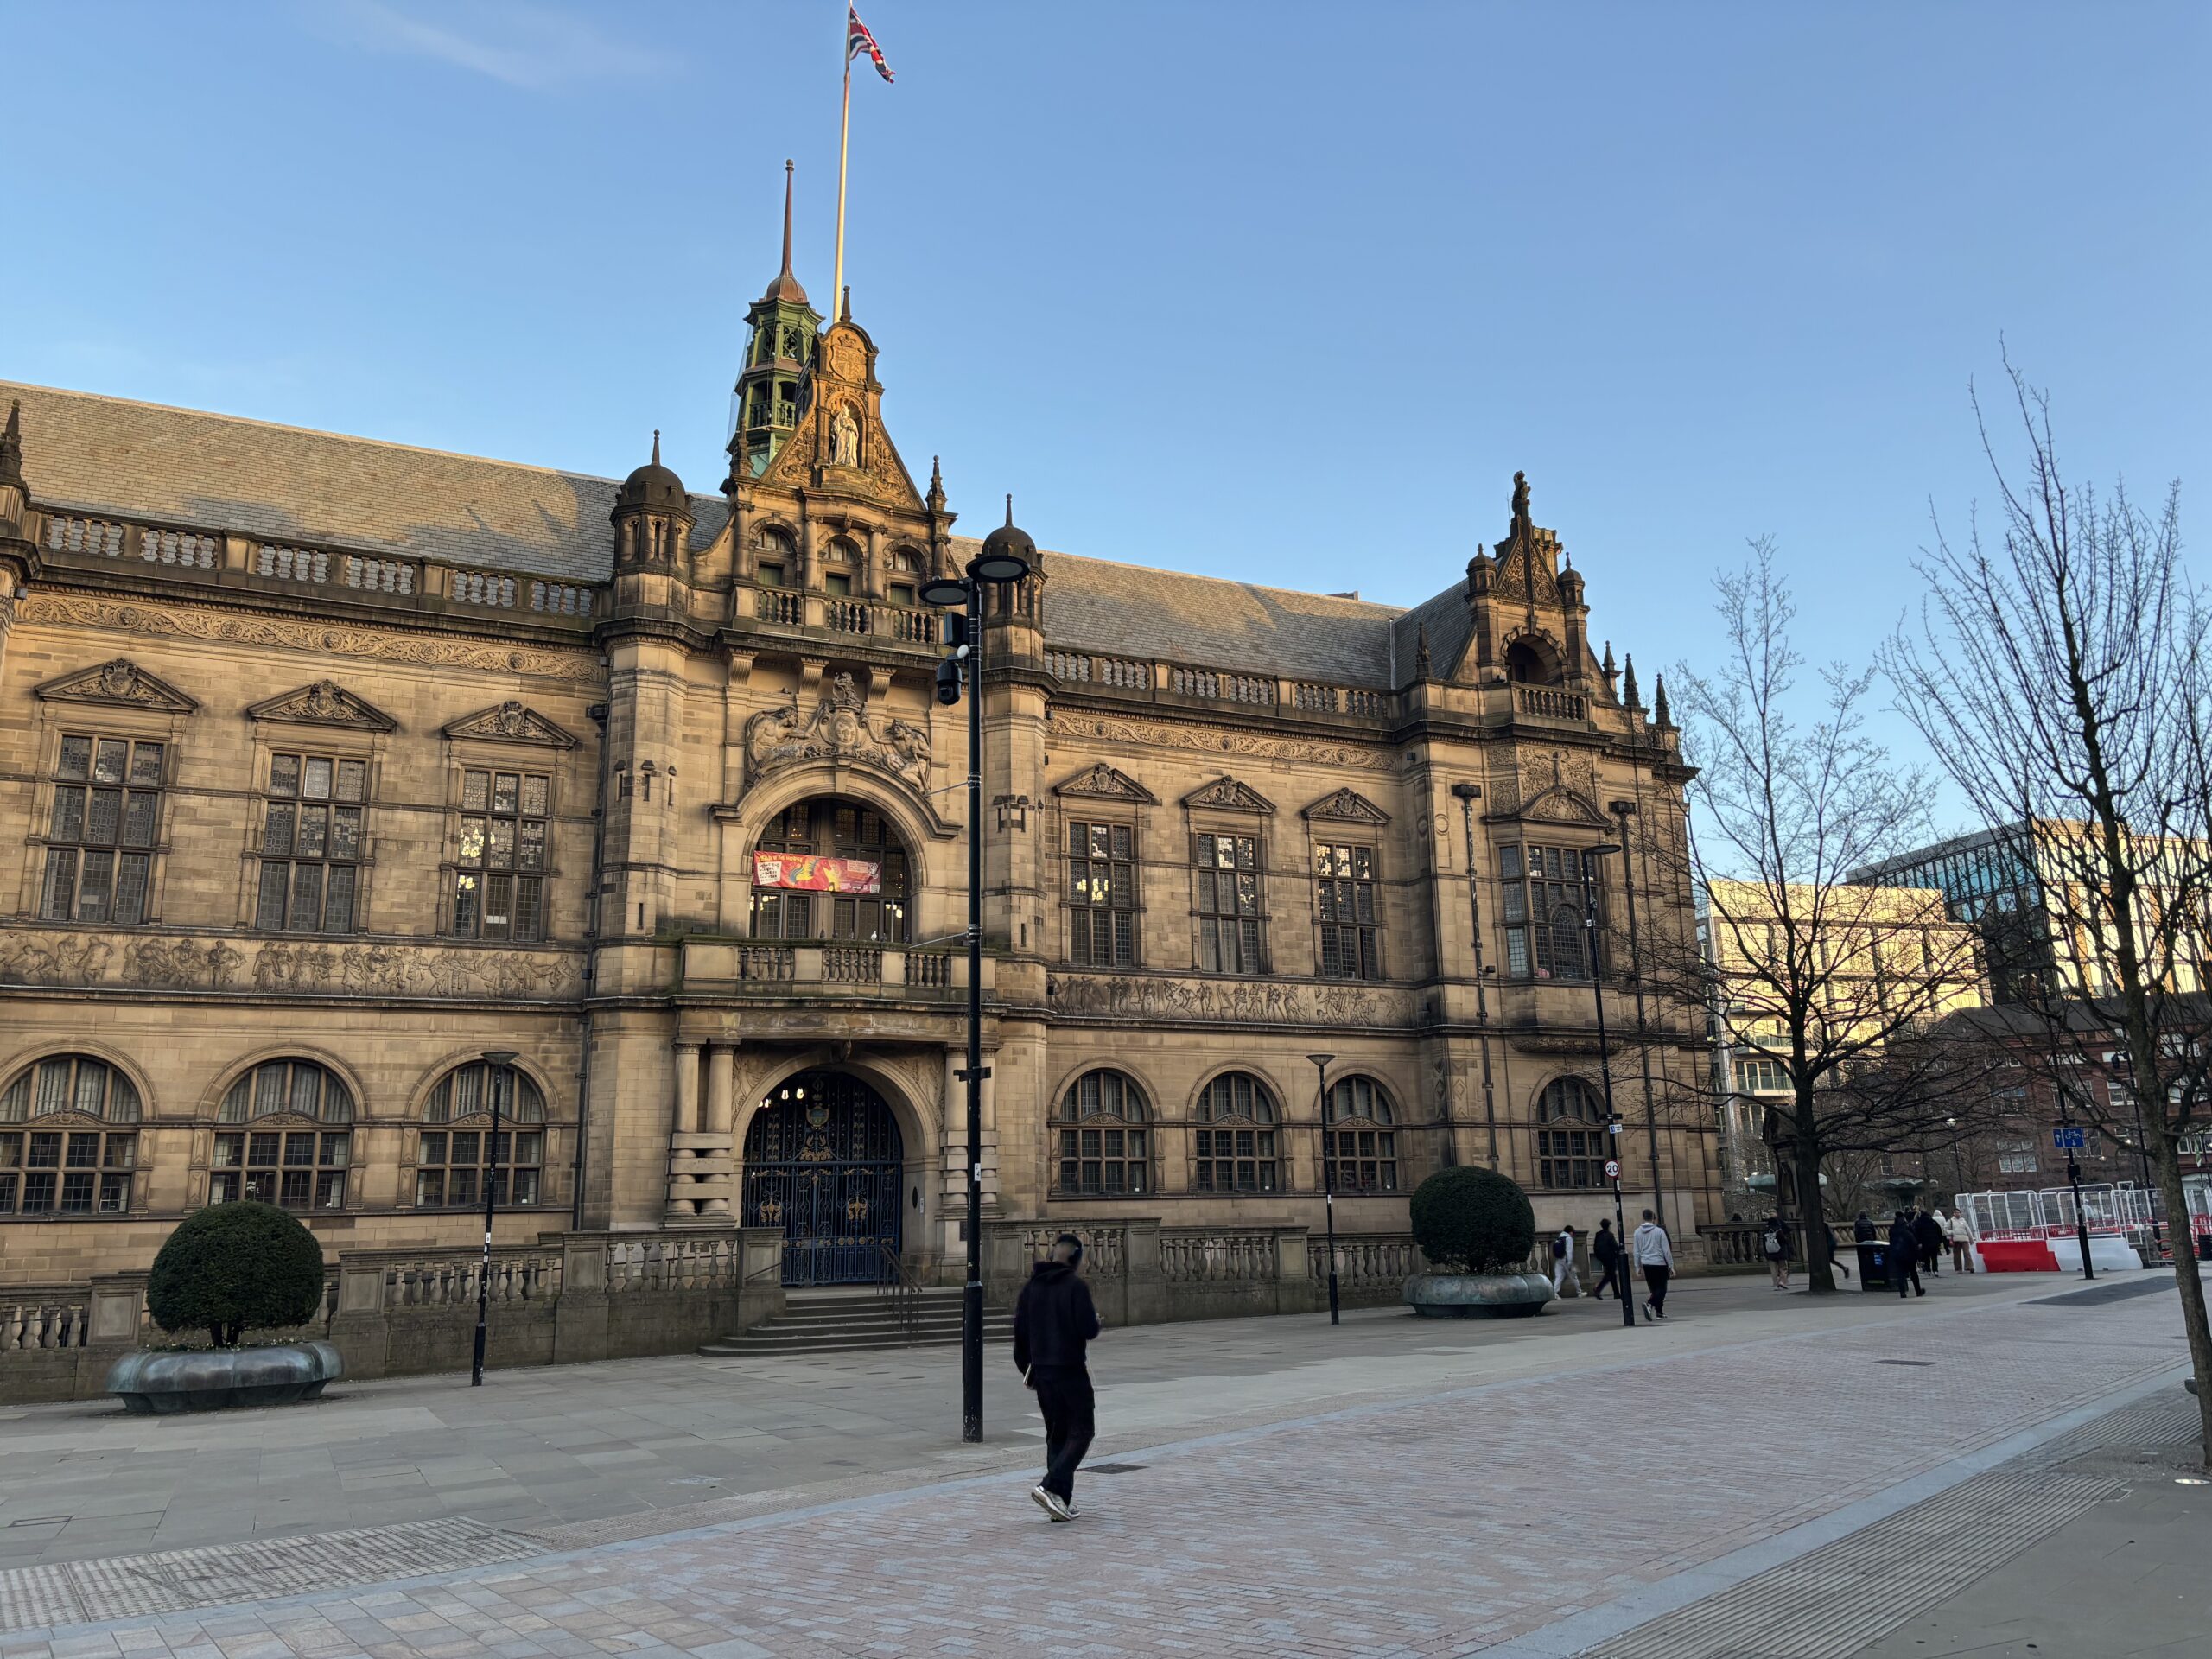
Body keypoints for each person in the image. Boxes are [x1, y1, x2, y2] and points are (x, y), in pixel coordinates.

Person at [1013, 1233, 1103, 1522]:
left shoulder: (1031, 1289)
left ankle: (1059, 1502)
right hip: (1070, 1371)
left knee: (1057, 1434)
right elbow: (1088, 1329)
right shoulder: (1075, 1287)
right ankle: (1050, 1487)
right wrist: (1096, 1320)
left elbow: (1019, 1340)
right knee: (1082, 1431)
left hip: (1043, 1374)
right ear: (1076, 1260)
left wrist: (1029, 1369)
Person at [1632, 1208, 1675, 1321]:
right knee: (1662, 1288)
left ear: (1643, 1217)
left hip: (1646, 1263)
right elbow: (1666, 1250)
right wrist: (1671, 1265)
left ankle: (1659, 1313)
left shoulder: (1637, 1232)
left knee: (1654, 1288)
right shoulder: (1659, 1231)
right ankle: (1650, 1305)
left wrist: (1637, 1266)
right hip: (1660, 1263)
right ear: (1653, 1217)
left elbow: (1636, 1251)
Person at [1888, 1209, 1925, 1298]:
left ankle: (1902, 1292)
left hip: (1898, 1254)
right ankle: (1918, 1291)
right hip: (1910, 1255)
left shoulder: (1893, 1228)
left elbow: (1891, 1241)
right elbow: (1914, 1241)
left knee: (1900, 1274)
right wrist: (1919, 1256)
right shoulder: (1908, 1227)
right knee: (1914, 1274)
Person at [1591, 1218, 1625, 1300]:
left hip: (1602, 1257)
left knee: (1612, 1275)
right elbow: (1615, 1246)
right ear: (1608, 1226)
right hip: (1610, 1258)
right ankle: (1598, 1289)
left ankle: (1616, 1293)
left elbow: (1595, 1246)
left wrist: (1598, 1256)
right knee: (1610, 1275)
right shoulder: (1609, 1235)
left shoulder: (1598, 1234)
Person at [1550, 1224, 1583, 1297]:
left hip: (1559, 1259)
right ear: (1571, 1232)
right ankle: (1579, 1292)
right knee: (1574, 1276)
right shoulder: (1568, 1239)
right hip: (1566, 1260)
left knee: (1559, 1277)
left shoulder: (1559, 1238)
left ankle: (1554, 1293)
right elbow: (1569, 1251)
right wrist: (1570, 1263)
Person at [1762, 1212, 1792, 1290]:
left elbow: (1764, 1242)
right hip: (1780, 1252)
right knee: (1783, 1267)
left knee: (1773, 1269)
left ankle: (1775, 1283)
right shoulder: (1778, 1230)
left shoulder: (1766, 1231)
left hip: (1770, 1252)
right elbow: (1783, 1240)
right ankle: (1782, 1281)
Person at [1914, 1206, 1947, 1277]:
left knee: (1926, 1257)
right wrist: (1940, 1241)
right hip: (1934, 1242)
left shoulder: (1919, 1223)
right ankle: (1935, 1270)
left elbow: (1917, 1233)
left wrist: (1918, 1242)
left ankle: (1928, 1270)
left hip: (1925, 1243)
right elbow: (1939, 1232)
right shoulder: (1933, 1222)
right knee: (1934, 1257)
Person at [1947, 1206, 1976, 1273]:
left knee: (1967, 1253)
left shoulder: (1963, 1220)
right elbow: (1945, 1230)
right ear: (1953, 1214)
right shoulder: (1950, 1221)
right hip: (1956, 1239)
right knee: (1957, 1254)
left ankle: (1969, 1266)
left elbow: (1968, 1230)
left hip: (1965, 1238)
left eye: (1958, 1212)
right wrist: (1952, 1232)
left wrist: (1971, 1239)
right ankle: (1958, 1268)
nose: (1957, 1214)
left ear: (1960, 1213)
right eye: (1955, 1212)